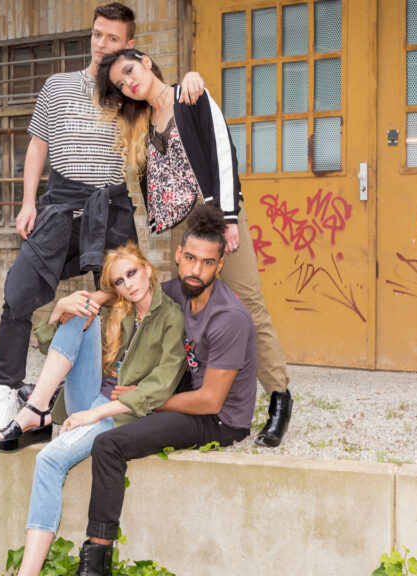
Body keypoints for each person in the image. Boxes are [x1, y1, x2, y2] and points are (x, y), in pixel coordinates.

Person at [0, 3, 206, 443]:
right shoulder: (58, 86)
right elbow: (37, 145)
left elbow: (166, 103)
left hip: (111, 207)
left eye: (113, 39)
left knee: (125, 292)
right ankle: (5, 392)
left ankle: (107, 386)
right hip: (61, 204)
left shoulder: (129, 93)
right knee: (19, 292)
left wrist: (189, 82)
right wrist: (28, 203)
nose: (103, 45)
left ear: (130, 46)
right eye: (97, 35)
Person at [94, 48, 293, 447]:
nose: (128, 82)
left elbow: (223, 152)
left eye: (130, 71)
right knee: (184, 305)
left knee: (248, 303)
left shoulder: (189, 94)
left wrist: (229, 219)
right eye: (120, 82)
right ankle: (195, 385)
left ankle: (279, 398)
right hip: (177, 228)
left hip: (214, 215)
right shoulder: (141, 123)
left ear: (147, 61)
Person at [71, 204, 257, 575]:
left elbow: (210, 401)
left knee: (109, 445)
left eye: (207, 262)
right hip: (184, 391)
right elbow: (131, 289)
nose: (196, 270)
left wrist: (145, 400)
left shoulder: (229, 318)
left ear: (220, 266)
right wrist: (101, 297)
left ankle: (96, 561)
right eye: (190, 258)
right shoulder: (177, 289)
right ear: (178, 255)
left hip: (217, 420)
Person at [0, 242, 186, 576]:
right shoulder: (119, 308)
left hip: (117, 413)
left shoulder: (170, 317)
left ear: (148, 269)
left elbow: (162, 384)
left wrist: (96, 414)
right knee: (81, 312)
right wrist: (60, 309)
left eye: (132, 273)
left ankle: (27, 572)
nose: (129, 284)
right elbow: (48, 342)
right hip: (90, 397)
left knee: (49, 460)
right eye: (120, 281)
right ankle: (37, 407)